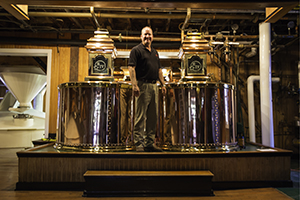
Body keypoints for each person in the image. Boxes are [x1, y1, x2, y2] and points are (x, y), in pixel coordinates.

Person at [128, 26, 166, 152]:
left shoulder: (155, 52)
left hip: (154, 86)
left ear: (152, 37)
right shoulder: (136, 50)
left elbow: (159, 70)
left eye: (149, 34)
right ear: (141, 36)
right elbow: (131, 68)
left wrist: (163, 84)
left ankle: (149, 143)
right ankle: (139, 144)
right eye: (145, 34)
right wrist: (134, 85)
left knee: (152, 116)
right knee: (140, 116)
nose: (147, 37)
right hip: (142, 85)